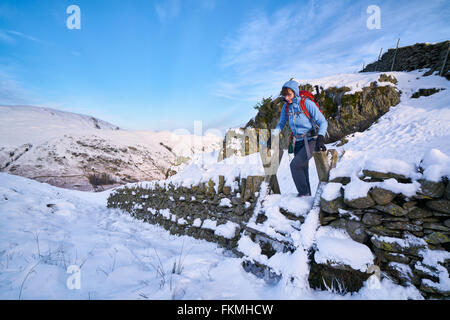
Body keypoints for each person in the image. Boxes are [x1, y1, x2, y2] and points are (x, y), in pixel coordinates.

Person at [265, 79, 328, 197]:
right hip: (297, 142)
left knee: (295, 165)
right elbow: (281, 123)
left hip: (311, 140)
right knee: (303, 171)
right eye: (284, 95)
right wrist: (273, 137)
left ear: (295, 92)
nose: (287, 98)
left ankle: (303, 194)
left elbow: (323, 121)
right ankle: (307, 197)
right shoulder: (286, 107)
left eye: (289, 94)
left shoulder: (306, 103)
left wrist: (321, 137)